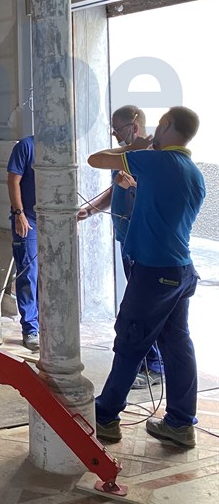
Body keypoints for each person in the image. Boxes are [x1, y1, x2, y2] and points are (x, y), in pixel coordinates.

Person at [88, 106, 205, 449]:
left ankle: (106, 417)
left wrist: (134, 148)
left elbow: (97, 159)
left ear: (166, 125)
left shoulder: (157, 161)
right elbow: (161, 206)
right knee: (176, 344)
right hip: (179, 270)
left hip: (154, 273)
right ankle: (181, 423)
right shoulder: (192, 172)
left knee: (130, 341)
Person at [78, 105, 163, 389]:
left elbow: (155, 199)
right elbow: (117, 187)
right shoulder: (131, 156)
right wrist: (90, 210)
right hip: (128, 240)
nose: (115, 136)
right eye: (112, 131)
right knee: (137, 308)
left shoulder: (152, 158)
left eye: (118, 130)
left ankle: (154, 365)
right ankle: (149, 363)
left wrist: (133, 184)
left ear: (135, 126)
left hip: (145, 247)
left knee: (142, 310)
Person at [7, 135, 39, 352]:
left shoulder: (64, 147)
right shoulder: (26, 146)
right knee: (28, 273)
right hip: (29, 219)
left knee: (52, 275)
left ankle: (50, 325)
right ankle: (30, 328)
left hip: (52, 219)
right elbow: (13, 180)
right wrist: (19, 214)